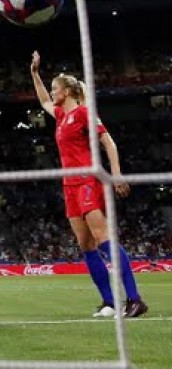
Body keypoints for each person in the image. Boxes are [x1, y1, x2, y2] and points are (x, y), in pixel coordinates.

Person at [30, 51, 147, 318]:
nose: (52, 92)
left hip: (88, 180)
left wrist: (115, 174)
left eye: (55, 88)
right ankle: (109, 302)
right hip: (69, 184)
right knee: (86, 245)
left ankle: (135, 299)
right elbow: (44, 101)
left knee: (103, 237)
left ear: (68, 91)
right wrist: (34, 74)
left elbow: (108, 142)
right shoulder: (61, 116)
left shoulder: (85, 113)